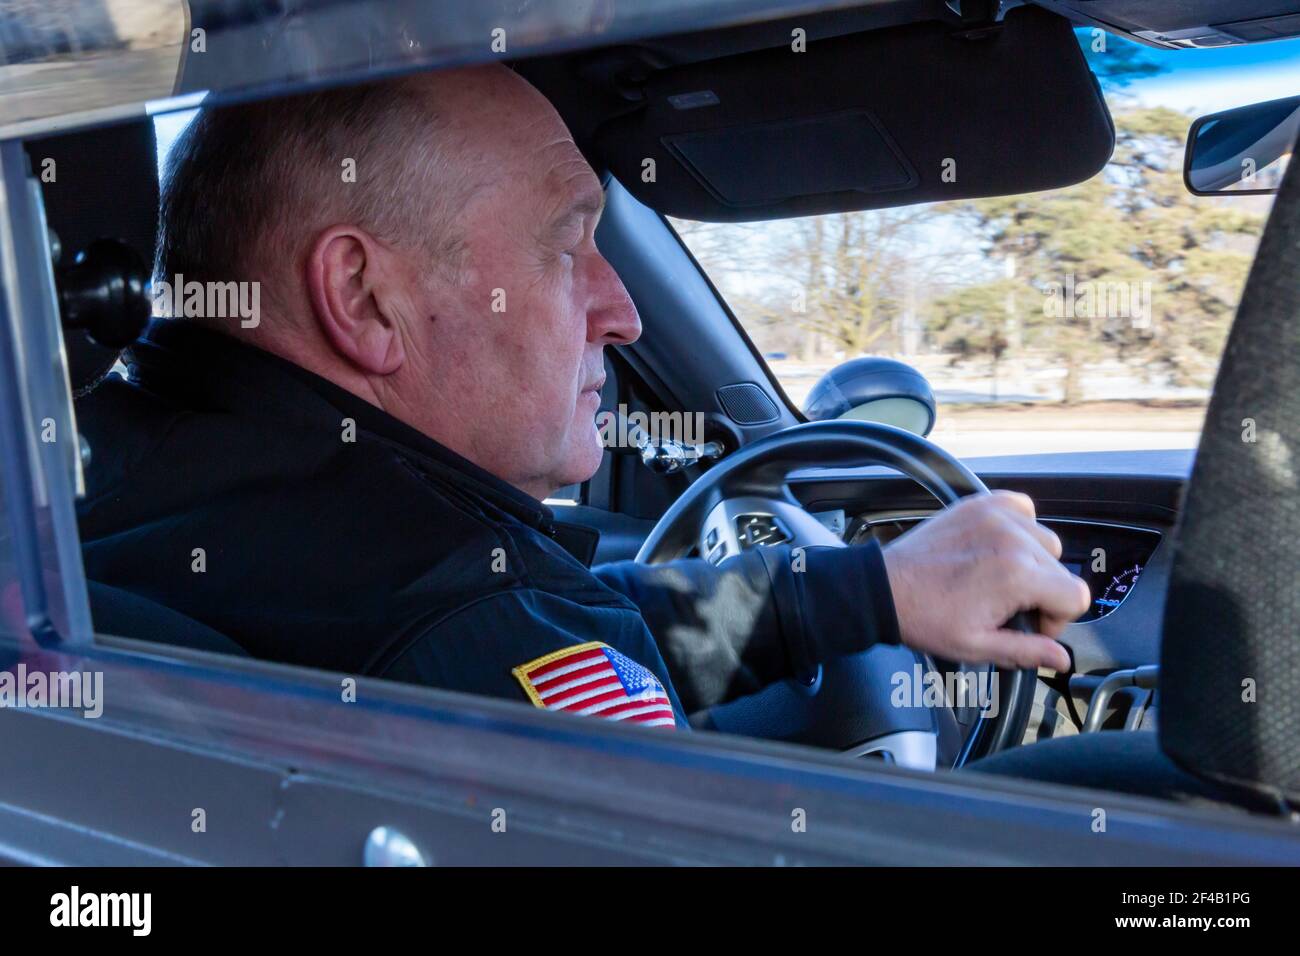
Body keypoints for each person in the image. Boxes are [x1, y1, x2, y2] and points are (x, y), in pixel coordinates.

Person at [75, 65, 1089, 729]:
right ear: (362, 296)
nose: (625, 312)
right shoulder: (465, 640)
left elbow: (581, 620)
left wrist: (872, 589)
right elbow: (522, 640)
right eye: (568, 246)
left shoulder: (86, 477)